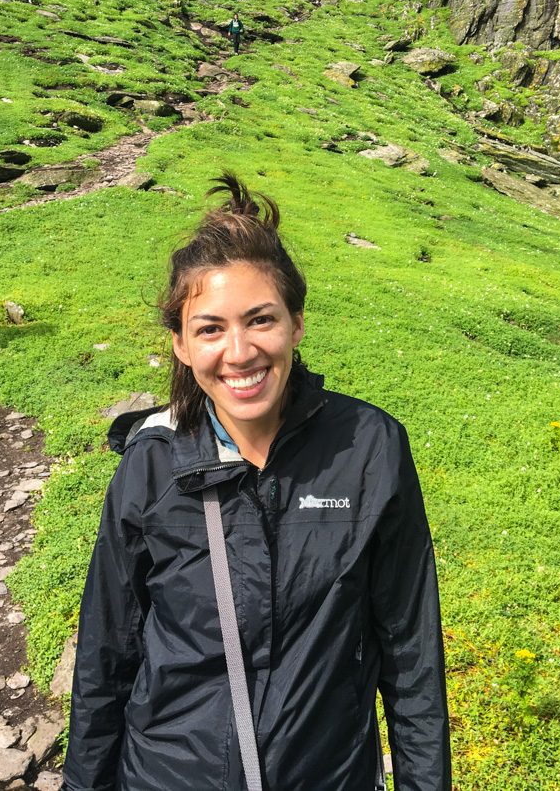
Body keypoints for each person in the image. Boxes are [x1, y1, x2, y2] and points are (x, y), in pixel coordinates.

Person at [61, 174, 451, 791]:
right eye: (210, 328)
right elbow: (106, 657)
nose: (239, 352)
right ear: (182, 346)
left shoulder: (371, 448)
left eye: (260, 320)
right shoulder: (151, 465)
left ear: (295, 324)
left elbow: (410, 653)